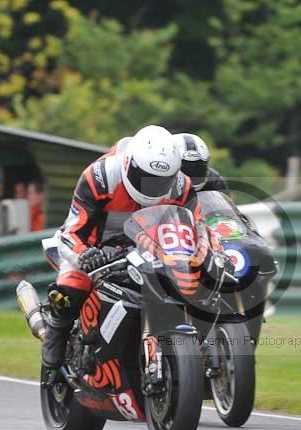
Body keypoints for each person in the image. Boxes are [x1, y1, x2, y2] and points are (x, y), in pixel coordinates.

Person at [41, 125, 223, 370]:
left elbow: (198, 229)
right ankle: (56, 333)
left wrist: (213, 253)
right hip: (96, 250)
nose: (153, 188)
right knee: (72, 287)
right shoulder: (100, 178)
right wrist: (84, 254)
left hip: (152, 250)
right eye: (145, 179)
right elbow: (72, 230)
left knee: (198, 287)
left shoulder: (182, 186)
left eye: (161, 182)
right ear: (129, 165)